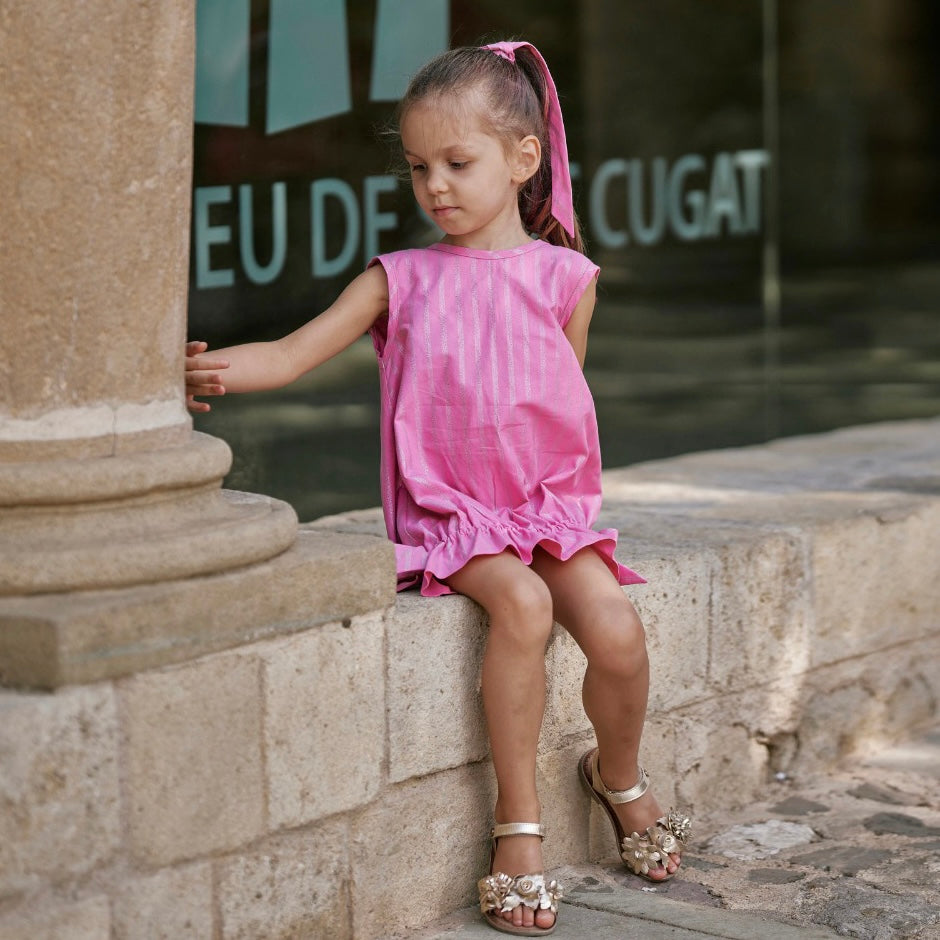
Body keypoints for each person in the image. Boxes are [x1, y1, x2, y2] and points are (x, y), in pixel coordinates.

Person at [186, 40, 690, 937]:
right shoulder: (402, 279)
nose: (436, 186)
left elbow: (556, 402)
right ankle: (518, 829)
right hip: (454, 520)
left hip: (540, 509)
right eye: (420, 167)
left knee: (616, 629)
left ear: (523, 157)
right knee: (523, 607)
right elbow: (293, 353)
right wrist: (194, 371)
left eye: (458, 163)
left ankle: (618, 776)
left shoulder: (566, 278)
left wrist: (553, 510)